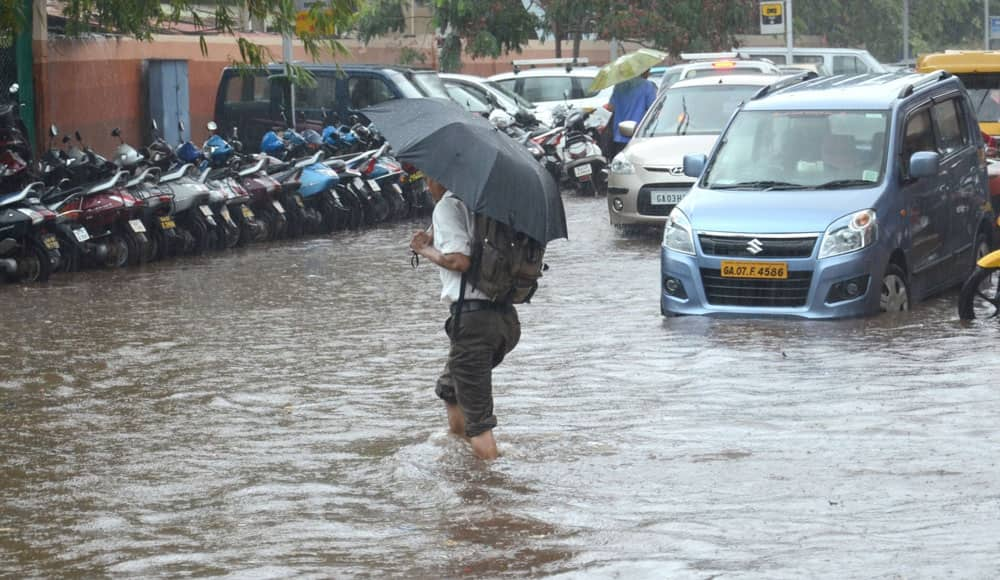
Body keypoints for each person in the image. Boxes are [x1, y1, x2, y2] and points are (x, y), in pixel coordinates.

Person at [409, 175, 521, 460]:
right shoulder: (485, 205)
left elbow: (459, 260)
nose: (425, 186)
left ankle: (487, 490)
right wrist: (434, 235)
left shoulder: (448, 206)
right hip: (505, 320)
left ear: (441, 177)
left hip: (473, 322)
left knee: (479, 424)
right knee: (451, 388)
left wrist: (425, 250)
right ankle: (460, 455)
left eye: (427, 179)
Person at [605, 70, 658, 160]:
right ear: (643, 71)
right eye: (648, 70)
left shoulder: (619, 86)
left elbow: (611, 107)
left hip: (619, 134)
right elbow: (654, 108)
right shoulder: (647, 86)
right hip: (638, 134)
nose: (649, 73)